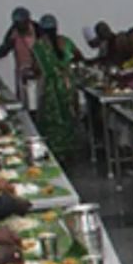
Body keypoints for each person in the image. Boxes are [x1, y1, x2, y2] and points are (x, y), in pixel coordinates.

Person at [29, 15, 79, 161]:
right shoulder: (66, 42)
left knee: (52, 119)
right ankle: (68, 149)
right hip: (68, 84)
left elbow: (37, 68)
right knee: (68, 116)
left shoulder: (39, 47)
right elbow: (78, 56)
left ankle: (55, 152)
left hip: (51, 87)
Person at [0, 7, 37, 95]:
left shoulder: (38, 30)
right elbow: (3, 50)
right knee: (24, 95)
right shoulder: (13, 33)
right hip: (22, 72)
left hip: (40, 71)